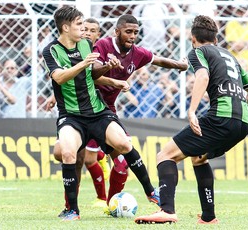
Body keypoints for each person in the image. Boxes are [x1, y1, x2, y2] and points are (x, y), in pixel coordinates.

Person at [134, 15, 248, 225]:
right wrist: (241, 113)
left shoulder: (199, 52)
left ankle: (166, 210)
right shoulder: (231, 57)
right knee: (199, 158)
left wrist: (192, 111)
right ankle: (208, 217)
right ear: (216, 39)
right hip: (243, 123)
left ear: (193, 39)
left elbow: (202, 76)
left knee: (165, 155)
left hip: (220, 118)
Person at [42, 6, 161, 221]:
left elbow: (93, 74)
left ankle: (152, 192)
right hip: (71, 116)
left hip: (98, 112)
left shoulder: (87, 44)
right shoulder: (51, 50)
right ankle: (72, 210)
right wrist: (82, 65)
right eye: (80, 25)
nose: (85, 30)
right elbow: (59, 77)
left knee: (125, 144)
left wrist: (107, 71)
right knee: (68, 154)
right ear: (66, 27)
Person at [91, 13, 188, 211]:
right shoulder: (103, 45)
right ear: (117, 31)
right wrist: (108, 67)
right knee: (77, 157)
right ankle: (71, 207)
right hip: (87, 106)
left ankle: (115, 204)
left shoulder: (137, 53)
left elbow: (158, 60)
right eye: (128, 32)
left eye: (136, 32)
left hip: (107, 110)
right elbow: (92, 73)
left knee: (122, 157)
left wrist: (180, 65)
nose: (133, 36)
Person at [48, 17, 115, 212]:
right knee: (63, 154)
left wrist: (115, 81)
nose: (87, 33)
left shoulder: (100, 50)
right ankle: (71, 205)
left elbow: (95, 78)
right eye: (83, 28)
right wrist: (55, 95)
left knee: (87, 159)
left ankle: (103, 199)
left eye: (91, 30)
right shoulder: (74, 50)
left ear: (98, 35)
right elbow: (70, 79)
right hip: (75, 112)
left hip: (100, 111)